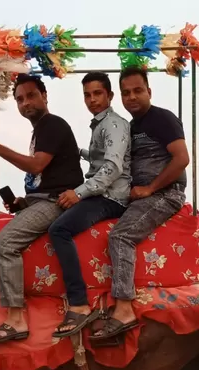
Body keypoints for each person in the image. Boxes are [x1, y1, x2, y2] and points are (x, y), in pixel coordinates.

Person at [0, 73, 85, 344]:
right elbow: (44, 176)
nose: (26, 103)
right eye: (20, 99)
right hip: (42, 198)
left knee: (5, 243)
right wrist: (22, 202)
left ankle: (16, 319)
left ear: (45, 96)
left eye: (31, 96)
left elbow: (36, 166)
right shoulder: (40, 131)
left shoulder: (53, 125)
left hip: (57, 201)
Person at [91, 67, 190, 340]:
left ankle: (124, 310)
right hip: (139, 194)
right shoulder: (132, 127)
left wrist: (151, 188)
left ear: (149, 91)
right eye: (126, 93)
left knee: (121, 237)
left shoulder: (162, 118)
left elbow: (182, 159)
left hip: (165, 193)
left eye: (138, 90)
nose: (132, 97)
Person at [48, 72, 132, 338]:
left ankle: (79, 303)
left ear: (109, 95)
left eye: (97, 93)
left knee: (58, 230)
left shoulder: (114, 125)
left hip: (111, 197)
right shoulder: (100, 124)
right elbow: (98, 158)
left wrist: (79, 193)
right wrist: (77, 152)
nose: (92, 100)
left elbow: (112, 168)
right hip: (101, 191)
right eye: (87, 95)